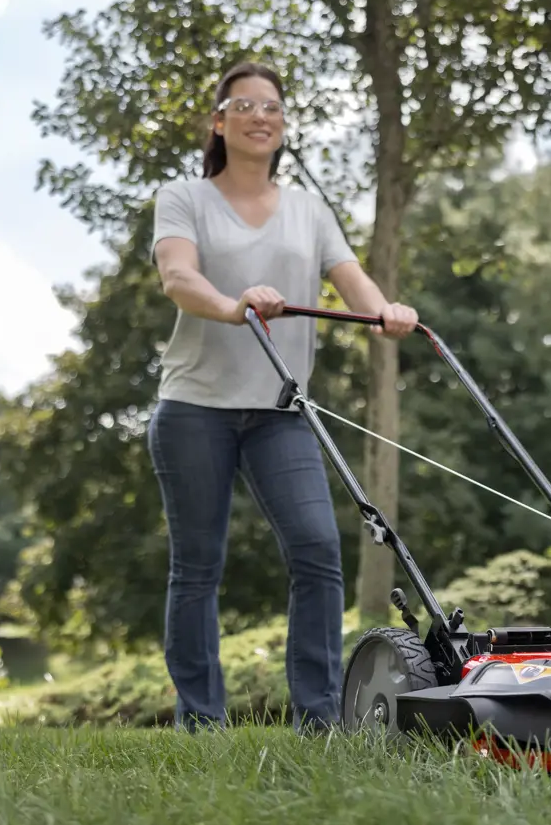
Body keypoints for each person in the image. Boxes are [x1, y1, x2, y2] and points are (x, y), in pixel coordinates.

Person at [147, 60, 417, 732]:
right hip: (195, 407)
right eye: (244, 104)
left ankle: (320, 715)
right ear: (219, 121)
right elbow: (178, 277)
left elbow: (352, 278)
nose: (260, 115)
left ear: (283, 123)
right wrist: (232, 306)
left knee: (318, 549)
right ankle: (202, 717)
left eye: (271, 106)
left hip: (279, 410)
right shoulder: (184, 198)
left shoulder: (307, 207)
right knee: (199, 566)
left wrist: (386, 313)